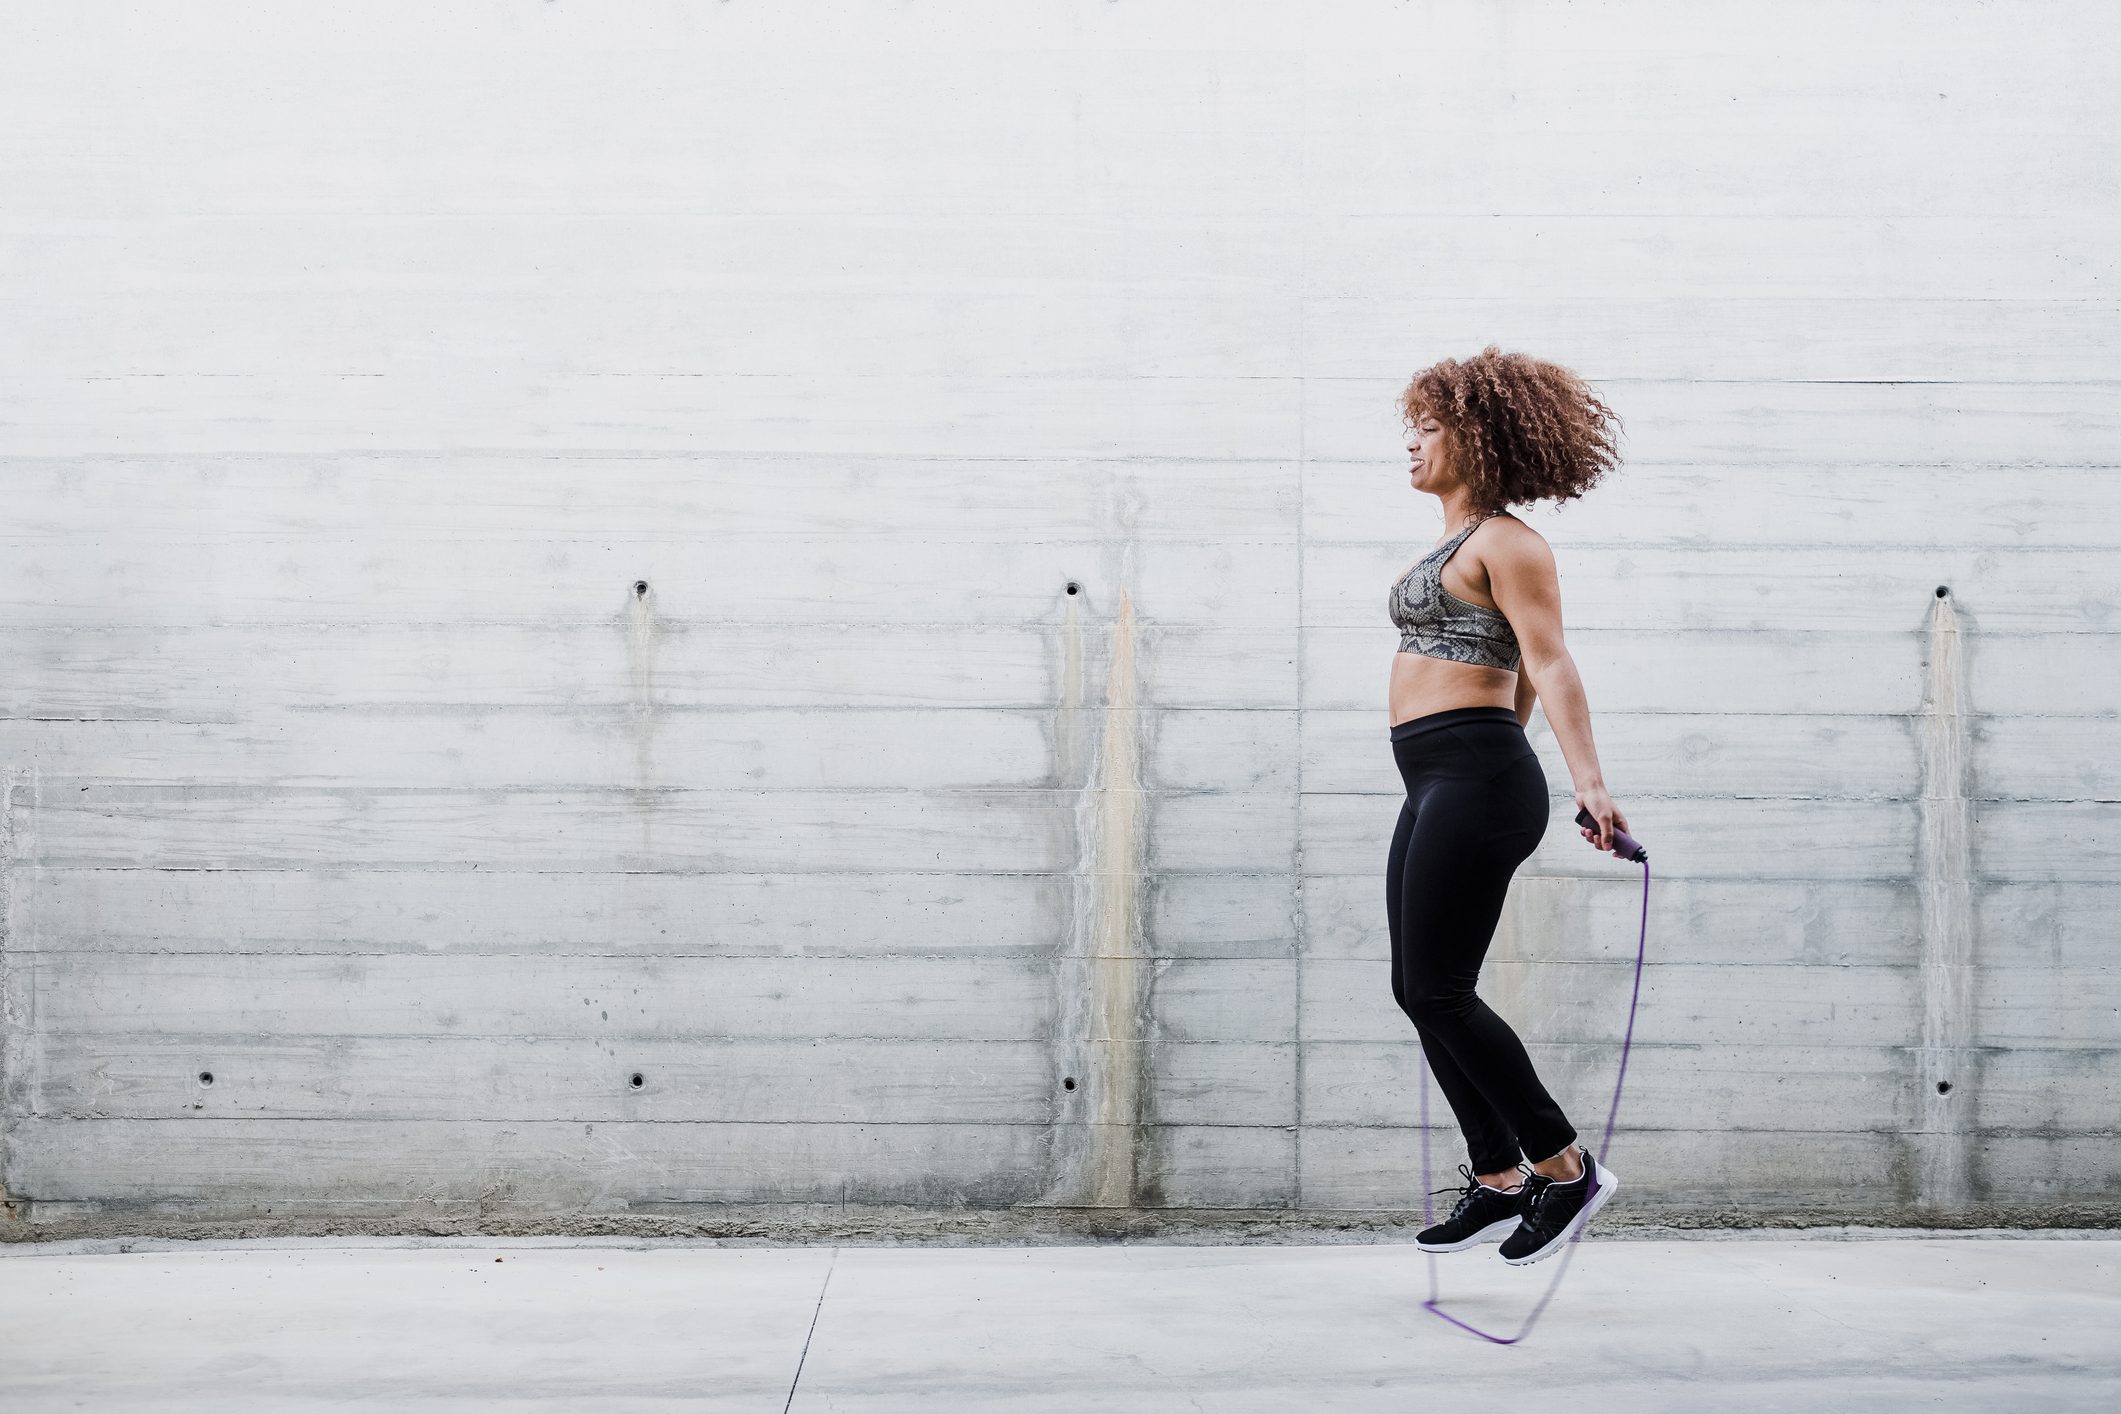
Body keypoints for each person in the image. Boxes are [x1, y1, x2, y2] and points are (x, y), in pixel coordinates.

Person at [1384, 345, 1629, 1266]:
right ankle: (1496, 1176)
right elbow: (1515, 672)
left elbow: (1549, 659)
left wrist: (1586, 784)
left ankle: (1564, 1169)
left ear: (1476, 435)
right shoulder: (1453, 546)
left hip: (1475, 774)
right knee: (1417, 989)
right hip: (1442, 773)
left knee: (1440, 990)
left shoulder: (1508, 542)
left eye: (1430, 426)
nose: (1412, 443)